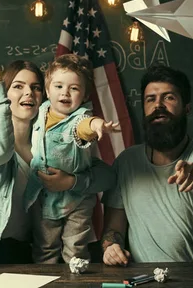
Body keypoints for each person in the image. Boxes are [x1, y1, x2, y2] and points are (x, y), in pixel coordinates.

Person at [0, 49, 116, 265]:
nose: (28, 93)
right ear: (5, 94)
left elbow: (107, 176)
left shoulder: (52, 136)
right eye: (17, 86)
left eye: (35, 87)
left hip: (36, 249)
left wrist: (71, 182)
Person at [101, 64, 193, 265]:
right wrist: (111, 247)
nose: (158, 105)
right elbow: (113, 230)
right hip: (143, 280)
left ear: (187, 108)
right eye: (151, 99)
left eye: (169, 97)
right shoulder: (126, 162)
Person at [23, 54, 119, 264]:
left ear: (84, 95)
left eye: (74, 88)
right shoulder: (41, 111)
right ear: (47, 91)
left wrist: (98, 126)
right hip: (44, 194)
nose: (65, 92)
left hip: (77, 199)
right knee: (45, 247)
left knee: (75, 248)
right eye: (58, 86)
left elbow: (86, 126)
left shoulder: (79, 118)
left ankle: (76, 279)